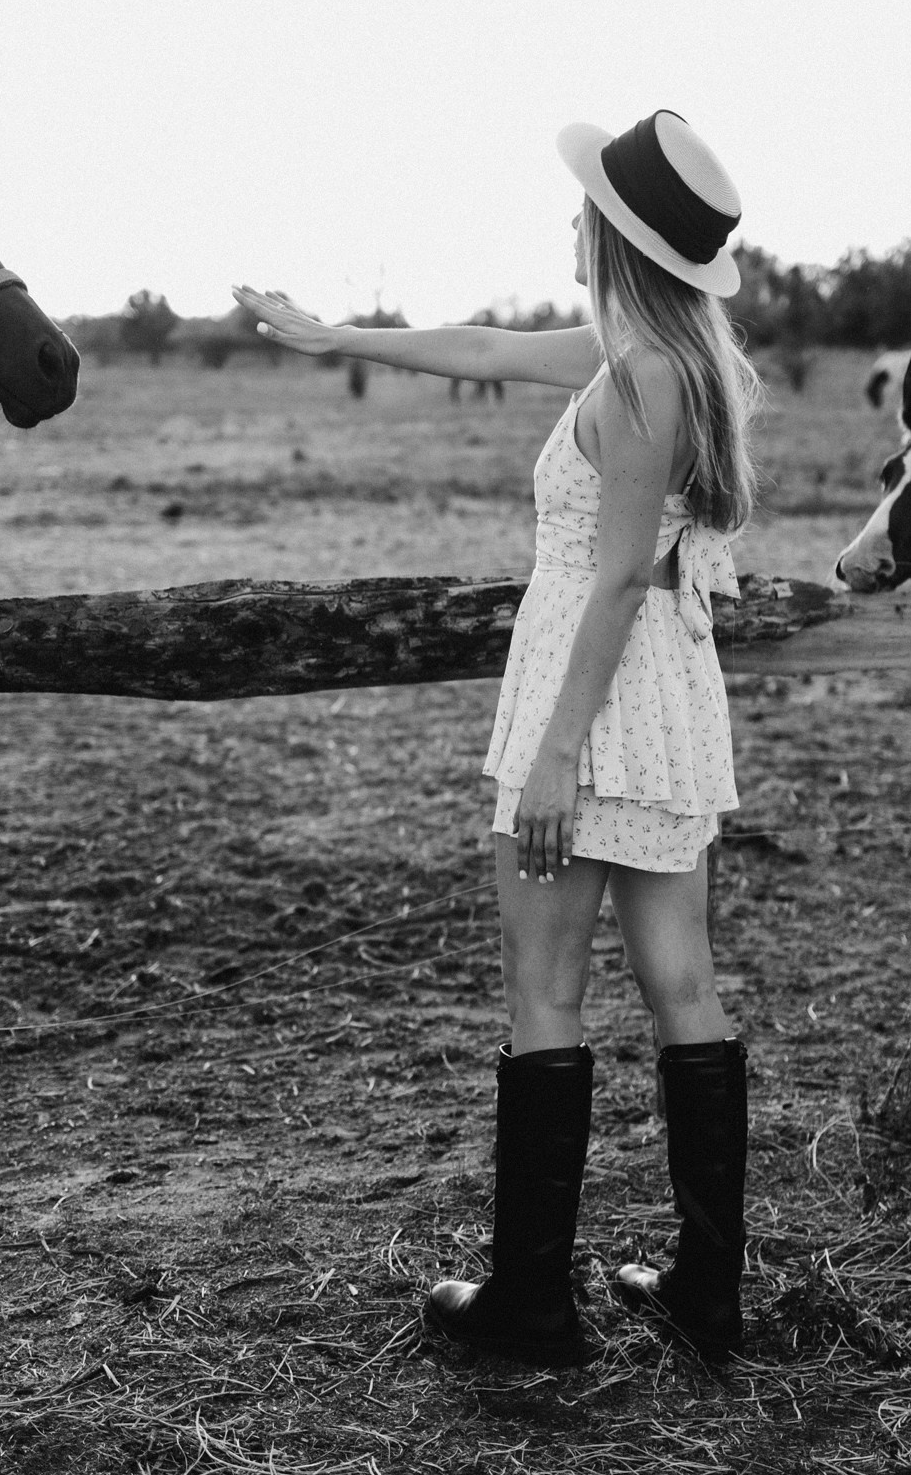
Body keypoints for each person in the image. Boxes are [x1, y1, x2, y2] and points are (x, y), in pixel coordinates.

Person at [234, 109, 760, 1365]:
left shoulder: (637, 377)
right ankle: (704, 1288)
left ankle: (531, 1304)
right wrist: (336, 334)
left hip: (593, 703)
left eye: (586, 210)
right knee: (683, 986)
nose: (570, 222)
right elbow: (479, 346)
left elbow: (618, 578)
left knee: (545, 991)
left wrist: (557, 754)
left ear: (613, 235)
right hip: (665, 709)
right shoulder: (664, 356)